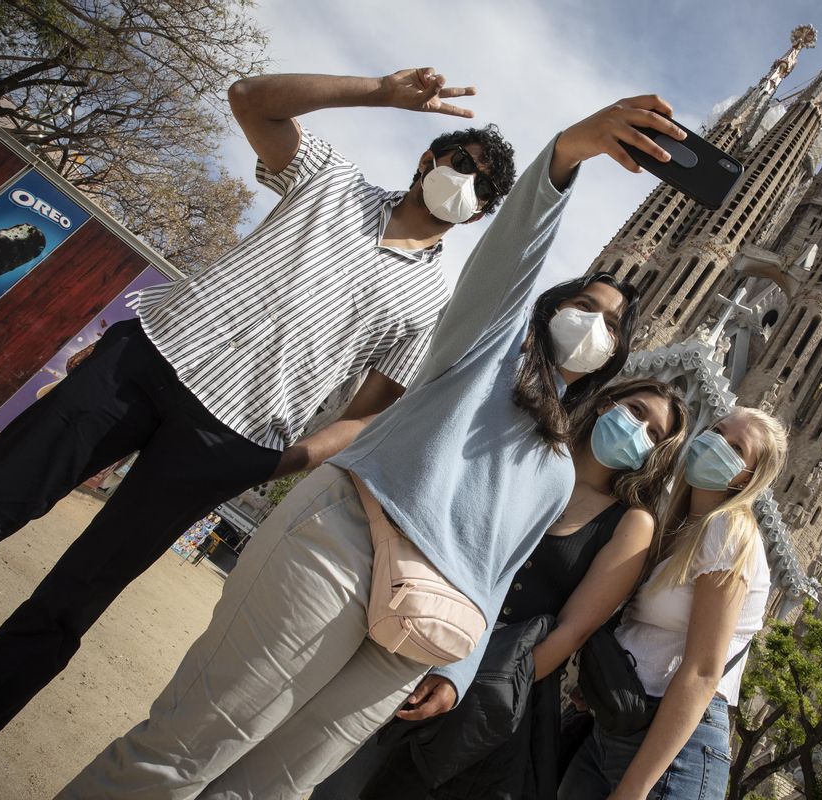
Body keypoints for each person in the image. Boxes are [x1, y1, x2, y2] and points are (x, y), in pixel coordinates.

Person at [55, 94, 687, 800]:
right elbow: (514, 253)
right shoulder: (485, 348)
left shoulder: (554, 466)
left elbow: (498, 574)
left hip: (419, 632)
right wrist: (568, 154)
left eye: (610, 327)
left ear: (613, 361)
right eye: (585, 306)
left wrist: (454, 669)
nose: (592, 325)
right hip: (346, 547)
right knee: (184, 752)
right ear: (546, 309)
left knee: (269, 792)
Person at [0, 67, 519, 766]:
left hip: (231, 441)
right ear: (427, 158)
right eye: (459, 161)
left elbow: (368, 414)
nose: (465, 180)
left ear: (481, 212)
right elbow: (250, 99)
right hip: (146, 363)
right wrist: (380, 93)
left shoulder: (429, 305)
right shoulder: (332, 182)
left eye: (483, 187)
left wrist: (286, 460)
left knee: (70, 602)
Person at [315, 378, 691, 800]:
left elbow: (573, 630)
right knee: (335, 771)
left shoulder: (630, 524)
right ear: (607, 403)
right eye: (636, 412)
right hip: (418, 634)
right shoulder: (532, 457)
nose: (638, 430)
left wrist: (480, 687)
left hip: (494, 687)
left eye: (654, 434)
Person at [559, 408, 790, 800]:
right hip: (618, 725)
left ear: (747, 478)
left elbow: (702, 671)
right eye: (717, 430)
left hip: (673, 751)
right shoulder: (680, 529)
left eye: (736, 447)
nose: (716, 443)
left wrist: (635, 787)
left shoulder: (728, 529)